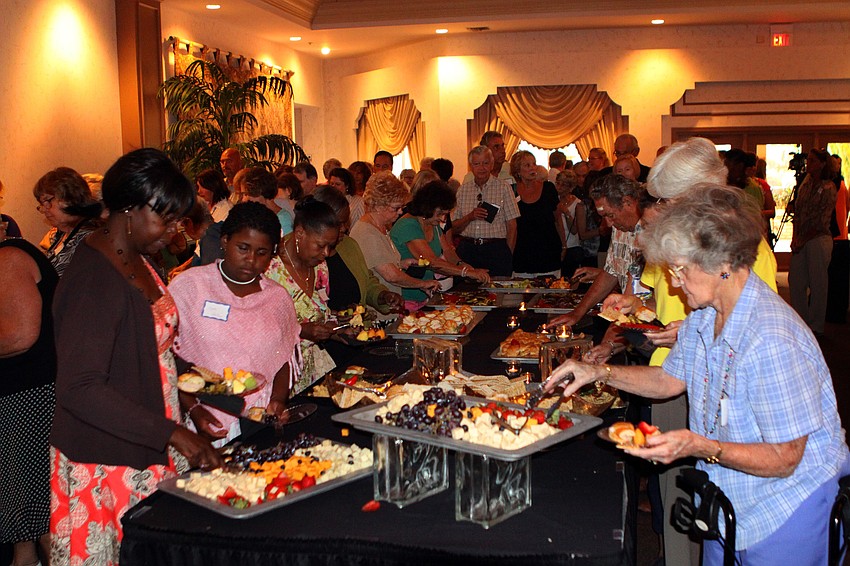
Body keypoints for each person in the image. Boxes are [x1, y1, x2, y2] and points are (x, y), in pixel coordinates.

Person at [546, 185, 849, 565]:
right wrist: (597, 371)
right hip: (729, 498)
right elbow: (669, 380)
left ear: (721, 263)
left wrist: (700, 446)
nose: (674, 282)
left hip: (784, 508)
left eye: (681, 269)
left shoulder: (771, 338)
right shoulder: (706, 315)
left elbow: (786, 457)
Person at [599, 137, 779, 566]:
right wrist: (642, 310)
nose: (660, 209)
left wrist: (688, 331)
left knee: (692, 496)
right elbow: (670, 308)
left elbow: (753, 335)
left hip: (706, 390)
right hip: (674, 371)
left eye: (666, 199)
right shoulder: (690, 239)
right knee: (676, 499)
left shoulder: (738, 250)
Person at [50, 148, 222, 565]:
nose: (175, 231)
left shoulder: (141, 259)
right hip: (108, 456)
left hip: (148, 436)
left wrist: (188, 404)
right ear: (130, 209)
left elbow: (153, 350)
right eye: (165, 219)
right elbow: (80, 388)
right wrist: (173, 434)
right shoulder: (94, 279)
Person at [168, 202, 300, 445]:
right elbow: (169, 359)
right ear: (225, 241)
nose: (251, 260)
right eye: (243, 248)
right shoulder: (189, 287)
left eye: (262, 253)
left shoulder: (277, 297)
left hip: (259, 419)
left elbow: (285, 356)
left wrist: (279, 400)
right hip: (201, 414)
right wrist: (194, 410)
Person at [0, 237, 57, 566]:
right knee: (23, 528)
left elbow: (20, 335)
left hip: (28, 400)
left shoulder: (8, 257)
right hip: (19, 397)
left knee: (42, 519)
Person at [551, 174, 651, 328]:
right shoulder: (619, 227)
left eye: (610, 215)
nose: (608, 224)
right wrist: (577, 313)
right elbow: (611, 272)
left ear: (627, 202)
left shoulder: (652, 230)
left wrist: (610, 343)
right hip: (629, 322)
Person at [265, 197, 340, 394]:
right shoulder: (269, 268)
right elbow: (257, 328)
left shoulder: (320, 265)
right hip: (280, 379)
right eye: (320, 245)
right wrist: (300, 331)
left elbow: (321, 310)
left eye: (330, 246)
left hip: (316, 372)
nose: (326, 253)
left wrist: (339, 326)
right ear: (299, 233)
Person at [391, 180, 489, 310]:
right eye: (440, 213)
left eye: (445, 214)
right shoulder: (408, 225)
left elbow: (448, 251)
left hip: (426, 295)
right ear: (428, 207)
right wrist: (466, 272)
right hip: (406, 296)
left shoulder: (432, 223)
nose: (443, 219)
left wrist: (464, 265)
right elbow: (432, 262)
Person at [312, 185, 403, 315]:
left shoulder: (348, 245)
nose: (344, 228)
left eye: (346, 222)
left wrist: (382, 296)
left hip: (356, 329)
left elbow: (366, 281)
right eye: (339, 223)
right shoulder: (306, 254)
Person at [350, 172, 441, 299]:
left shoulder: (380, 227)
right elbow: (391, 276)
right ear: (379, 205)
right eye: (396, 208)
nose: (400, 212)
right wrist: (422, 284)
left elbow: (378, 264)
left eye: (401, 207)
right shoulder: (367, 233)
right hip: (379, 306)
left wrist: (401, 263)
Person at [788, 148, 837, 336]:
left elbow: (822, 219)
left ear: (822, 164)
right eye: (808, 160)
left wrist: (804, 239)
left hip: (818, 238)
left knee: (818, 283)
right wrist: (795, 238)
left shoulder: (829, 187)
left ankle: (816, 325)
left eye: (812, 160)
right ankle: (801, 320)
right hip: (802, 238)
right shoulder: (806, 183)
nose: (808, 164)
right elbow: (799, 212)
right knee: (796, 280)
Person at [452, 145, 520, 276]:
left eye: (485, 163)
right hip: (468, 248)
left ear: (492, 164)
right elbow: (453, 228)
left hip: (495, 249)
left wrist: (507, 254)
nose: (481, 168)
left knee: (497, 293)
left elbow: (512, 226)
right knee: (466, 292)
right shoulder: (463, 190)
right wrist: (470, 217)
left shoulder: (504, 187)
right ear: (471, 166)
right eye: (477, 164)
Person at [34, 167, 102, 276]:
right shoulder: (60, 235)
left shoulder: (91, 239)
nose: (44, 209)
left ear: (70, 197)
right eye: (42, 204)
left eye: (47, 201)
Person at [510, 150, 562, 277]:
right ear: (518, 170)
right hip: (522, 252)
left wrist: (563, 246)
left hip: (548, 250)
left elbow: (558, 219)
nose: (533, 168)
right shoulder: (511, 192)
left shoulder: (548, 188)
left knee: (549, 293)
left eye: (534, 164)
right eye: (527, 165)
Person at [242, 166, 293, 236]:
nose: (244, 200)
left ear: (261, 192)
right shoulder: (255, 216)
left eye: (246, 194)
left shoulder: (282, 220)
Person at [554, 169, 583, 278]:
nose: (559, 187)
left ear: (571, 187)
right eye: (558, 183)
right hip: (557, 245)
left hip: (572, 246)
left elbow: (575, 230)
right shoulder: (553, 200)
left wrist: (566, 212)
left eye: (564, 185)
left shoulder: (577, 203)